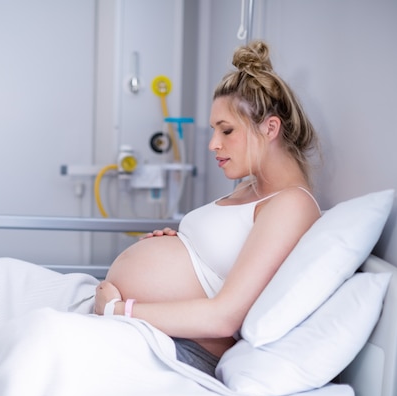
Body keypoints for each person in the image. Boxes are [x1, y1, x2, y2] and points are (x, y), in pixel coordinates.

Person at [93, 40, 322, 377]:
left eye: (226, 130)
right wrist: (182, 245)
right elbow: (216, 269)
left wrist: (117, 310)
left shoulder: (292, 205)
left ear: (270, 128)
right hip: (154, 329)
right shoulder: (250, 188)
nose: (214, 143)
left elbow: (224, 316)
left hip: (183, 347)